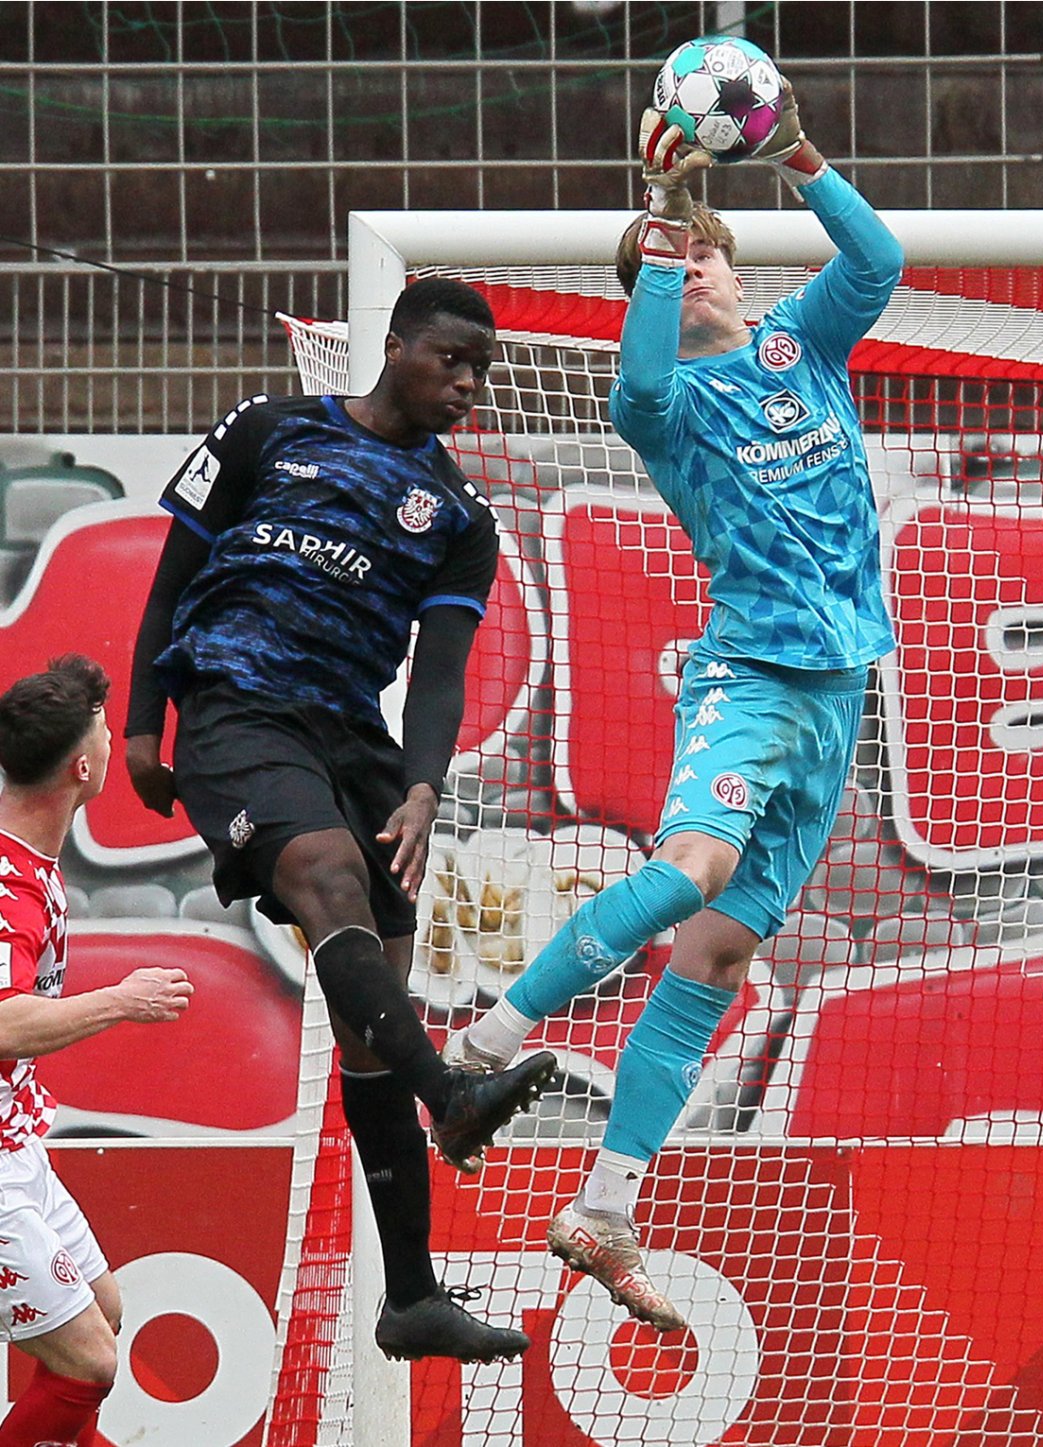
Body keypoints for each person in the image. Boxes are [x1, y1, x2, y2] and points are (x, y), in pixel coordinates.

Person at [445, 79, 904, 1332]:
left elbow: (879, 255)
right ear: (650, 278)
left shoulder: (798, 346)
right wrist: (653, 235)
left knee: (718, 952)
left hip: (836, 700)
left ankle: (603, 1202)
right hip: (749, 678)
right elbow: (635, 386)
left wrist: (797, 151)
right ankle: (489, 1040)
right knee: (689, 868)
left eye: (708, 249)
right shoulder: (668, 403)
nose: (696, 262)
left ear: (740, 272)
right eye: (673, 257)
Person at [124, 277, 557, 1366]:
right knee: (324, 876)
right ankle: (450, 1091)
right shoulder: (267, 429)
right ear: (396, 344)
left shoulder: (459, 520)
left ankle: (409, 1295)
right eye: (450, 359)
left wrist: (422, 782)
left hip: (355, 741)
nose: (466, 384)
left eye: (481, 372)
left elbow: (444, 678)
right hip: (233, 703)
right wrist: (140, 727)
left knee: (376, 1012)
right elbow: (173, 575)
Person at [0, 655, 194, 1447]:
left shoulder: (31, 862)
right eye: (108, 732)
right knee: (87, 1364)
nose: (117, 742)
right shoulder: (7, 883)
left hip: (16, 1144)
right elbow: (4, 1023)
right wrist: (126, 1000)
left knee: (104, 1314)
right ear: (84, 766)